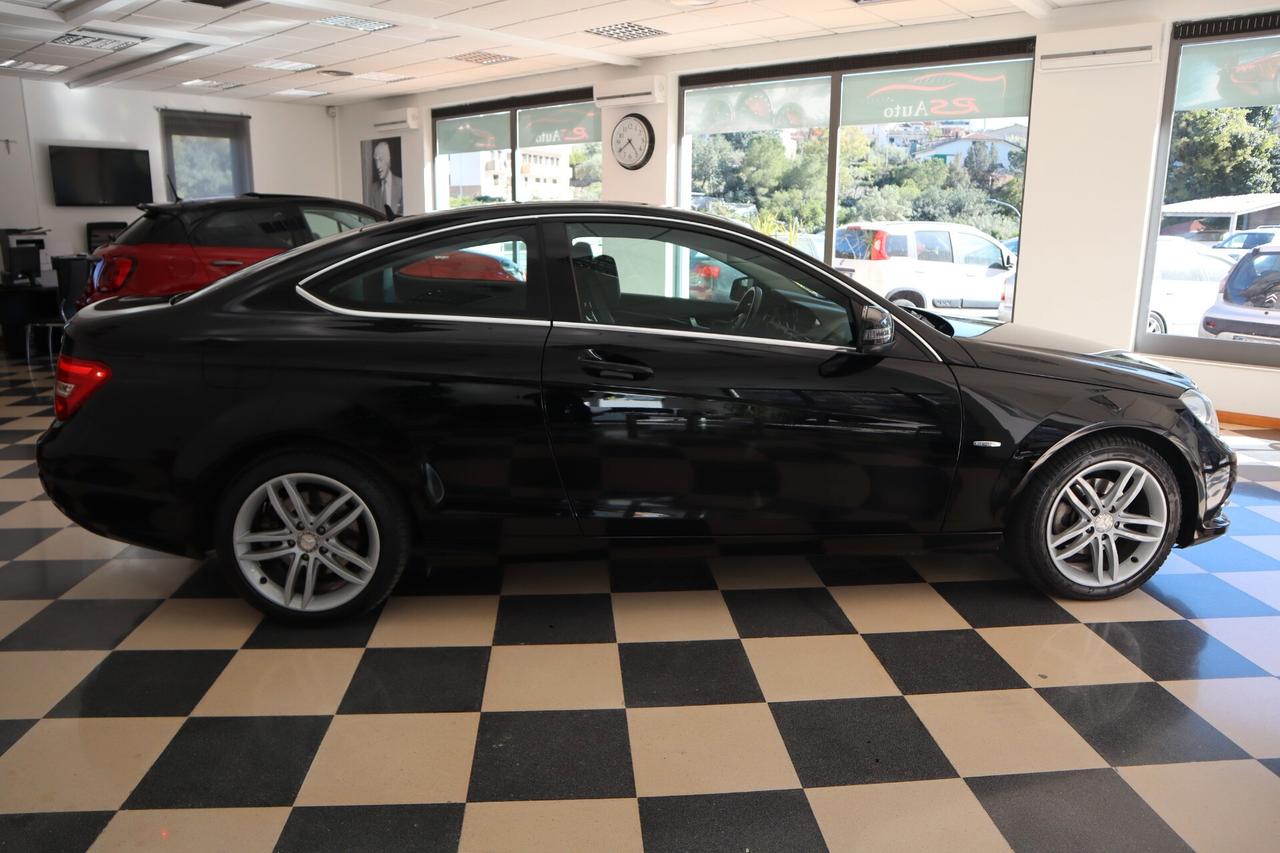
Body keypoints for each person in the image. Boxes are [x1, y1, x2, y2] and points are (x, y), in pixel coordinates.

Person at [366, 140, 403, 218]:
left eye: (380, 160)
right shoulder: (373, 189)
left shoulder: (401, 185)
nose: (377, 166)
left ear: (388, 160)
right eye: (376, 161)